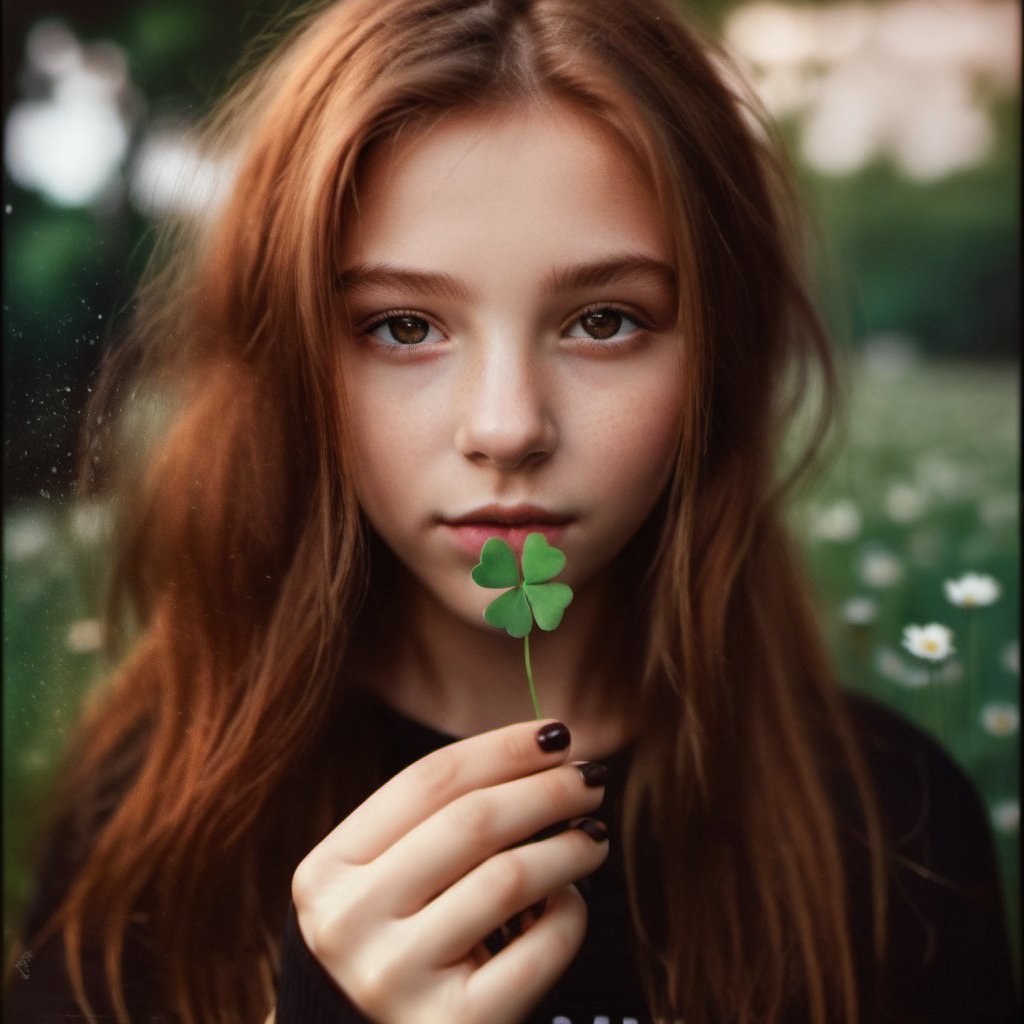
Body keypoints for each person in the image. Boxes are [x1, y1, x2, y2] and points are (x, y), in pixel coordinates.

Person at [4, 0, 1018, 1021]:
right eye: (403, 326)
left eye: (603, 320)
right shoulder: (151, 814)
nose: (506, 427)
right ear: (293, 359)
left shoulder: (898, 826)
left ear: (719, 352)